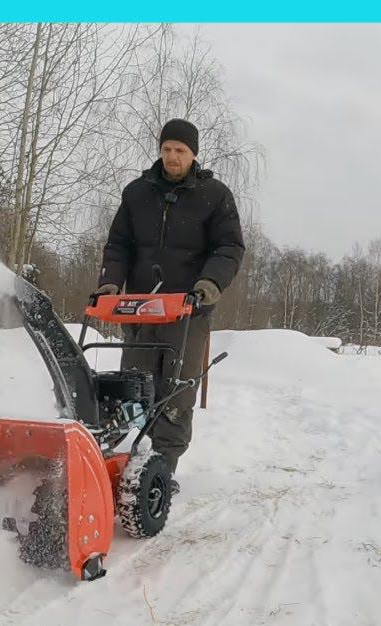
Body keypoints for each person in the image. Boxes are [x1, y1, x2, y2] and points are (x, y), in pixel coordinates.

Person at [95, 118, 246, 478]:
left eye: (179, 150)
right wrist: (111, 283)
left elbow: (229, 247)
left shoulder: (215, 196)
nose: (172, 157)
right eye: (166, 149)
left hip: (188, 310)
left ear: (193, 154)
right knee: (133, 385)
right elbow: (119, 245)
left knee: (176, 392)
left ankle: (160, 471)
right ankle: (123, 458)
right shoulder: (136, 193)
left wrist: (209, 284)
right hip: (140, 308)